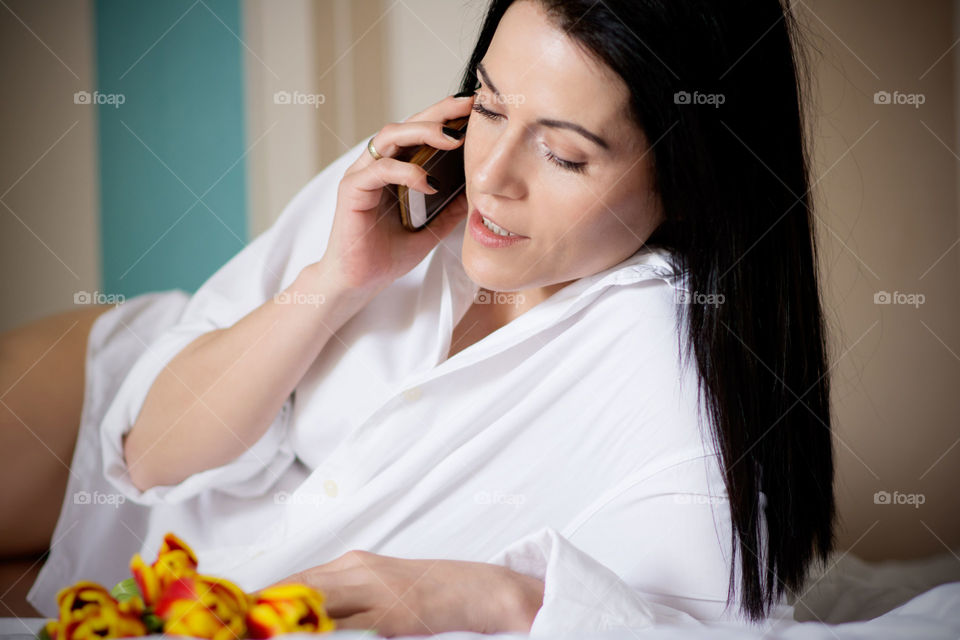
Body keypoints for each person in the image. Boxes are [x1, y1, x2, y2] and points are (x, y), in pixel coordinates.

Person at [1, 0, 834, 635]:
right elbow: (147, 456)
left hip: (194, 579)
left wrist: (504, 597)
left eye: (565, 153)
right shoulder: (412, 185)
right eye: (492, 105)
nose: (494, 174)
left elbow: (701, 618)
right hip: (115, 409)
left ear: (691, 177)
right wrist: (336, 280)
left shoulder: (669, 380)